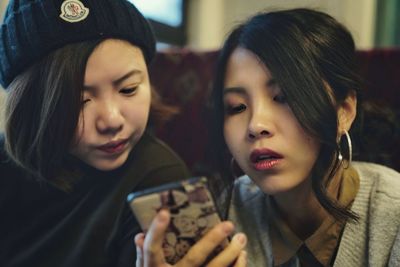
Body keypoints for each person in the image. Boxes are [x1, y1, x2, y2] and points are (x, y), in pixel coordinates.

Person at [0, 0, 246, 266]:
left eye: (128, 89)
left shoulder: (160, 184)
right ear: (30, 106)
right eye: (79, 101)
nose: (112, 120)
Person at [206, 8, 400, 267]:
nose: (255, 125)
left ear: (344, 112)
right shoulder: (224, 214)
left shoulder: (393, 215)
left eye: (283, 98)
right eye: (237, 107)